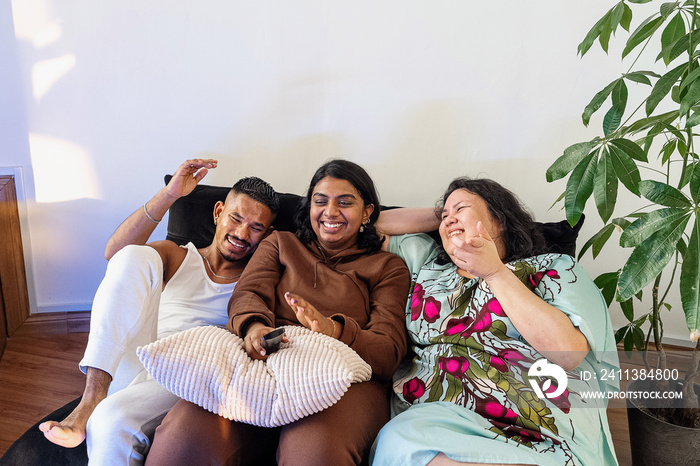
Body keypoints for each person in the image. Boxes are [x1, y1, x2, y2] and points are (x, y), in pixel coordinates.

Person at [144, 159, 411, 466]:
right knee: (185, 435)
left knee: (312, 450)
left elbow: (388, 352)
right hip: (267, 361)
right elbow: (249, 293)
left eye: (345, 203)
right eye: (320, 201)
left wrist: (332, 330)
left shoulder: (388, 267)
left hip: (345, 379)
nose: (330, 212)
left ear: (367, 212)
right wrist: (255, 328)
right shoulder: (281, 243)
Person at [37, 159, 280, 463]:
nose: (242, 233)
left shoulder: (255, 284)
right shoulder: (177, 256)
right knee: (132, 257)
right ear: (218, 213)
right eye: (236, 218)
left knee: (110, 421)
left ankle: (99, 411)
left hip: (184, 375)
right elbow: (116, 255)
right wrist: (169, 194)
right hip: (137, 358)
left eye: (256, 227)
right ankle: (91, 396)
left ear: (267, 234)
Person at [371, 177, 619, 466]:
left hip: (538, 416)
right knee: (400, 441)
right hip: (441, 419)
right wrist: (448, 215)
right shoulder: (427, 264)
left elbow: (566, 352)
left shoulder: (553, 267)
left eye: (460, 208)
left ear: (499, 221)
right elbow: (370, 225)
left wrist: (494, 272)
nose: (449, 219)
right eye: (445, 216)